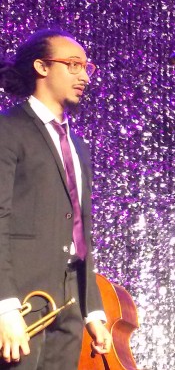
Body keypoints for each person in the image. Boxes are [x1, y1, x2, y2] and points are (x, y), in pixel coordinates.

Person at [0, 29, 112, 369]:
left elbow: (80, 229)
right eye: (73, 65)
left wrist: (92, 310)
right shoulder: (9, 129)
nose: (84, 76)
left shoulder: (78, 146)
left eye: (87, 67)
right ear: (41, 67)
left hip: (68, 302)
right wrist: (5, 306)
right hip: (22, 300)